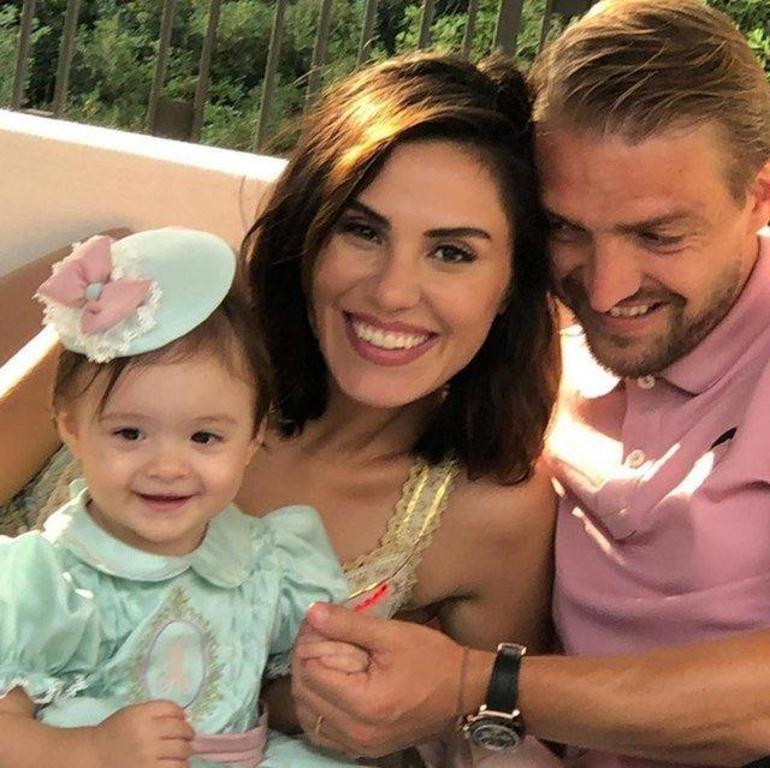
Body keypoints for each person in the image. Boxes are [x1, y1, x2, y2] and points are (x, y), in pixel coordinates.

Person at [0, 54, 562, 765]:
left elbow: (491, 735)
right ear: (308, 233)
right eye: (363, 231)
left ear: (511, 285)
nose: (393, 292)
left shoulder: (490, 511)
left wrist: (340, 699)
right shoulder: (144, 322)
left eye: (451, 252)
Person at [289, 1, 770, 766]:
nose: (606, 289)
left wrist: (475, 682)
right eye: (567, 228)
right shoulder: (536, 351)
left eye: (658, 235)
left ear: (759, 196)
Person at [0, 228, 370, 768]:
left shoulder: (265, 559)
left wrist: (320, 676)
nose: (168, 467)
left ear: (252, 439)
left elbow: (276, 699)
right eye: (130, 433)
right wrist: (90, 749)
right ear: (72, 428)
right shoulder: (49, 582)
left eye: (204, 437)